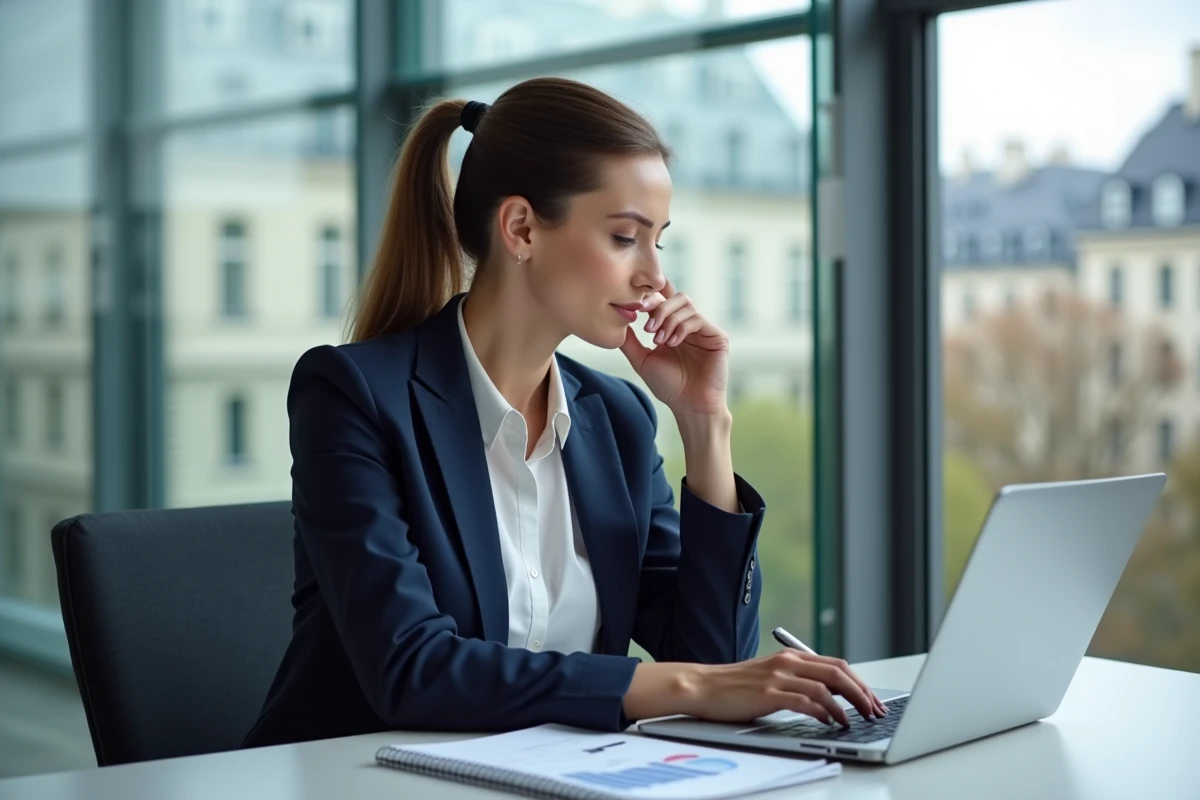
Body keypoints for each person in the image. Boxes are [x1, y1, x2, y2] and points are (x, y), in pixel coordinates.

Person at [243, 77, 886, 748]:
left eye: (658, 242)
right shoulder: (352, 396)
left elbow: (712, 656)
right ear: (521, 228)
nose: (655, 279)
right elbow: (412, 669)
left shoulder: (617, 418)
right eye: (623, 238)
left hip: (551, 776)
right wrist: (676, 686)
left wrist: (705, 422)